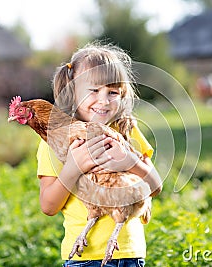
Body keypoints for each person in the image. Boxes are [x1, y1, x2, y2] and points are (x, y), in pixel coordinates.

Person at [36, 42, 162, 267]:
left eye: (112, 92)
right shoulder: (55, 140)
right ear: (72, 91)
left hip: (128, 254)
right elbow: (48, 206)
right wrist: (73, 167)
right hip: (84, 259)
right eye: (94, 91)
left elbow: (155, 187)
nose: (103, 100)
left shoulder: (126, 129)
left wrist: (130, 161)